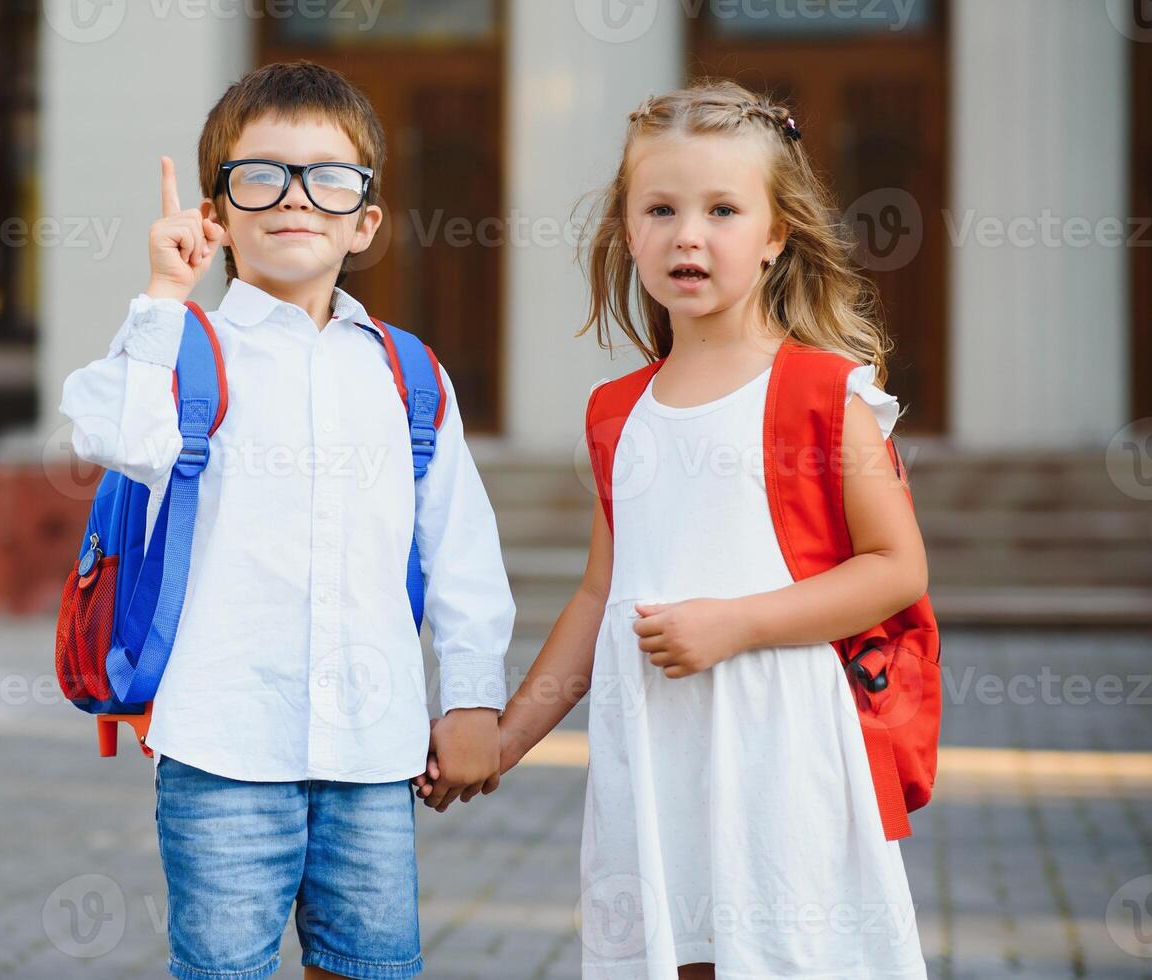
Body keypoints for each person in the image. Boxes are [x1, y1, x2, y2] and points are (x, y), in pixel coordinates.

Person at [416, 79, 931, 978]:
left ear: (776, 236)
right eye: (660, 208)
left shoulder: (821, 392)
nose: (687, 234)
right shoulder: (619, 412)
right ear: (627, 229)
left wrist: (736, 622)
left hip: (780, 746)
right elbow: (598, 597)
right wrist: (505, 738)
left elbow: (895, 569)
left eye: (723, 209)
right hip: (654, 751)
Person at [59, 61, 514, 980]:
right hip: (221, 749)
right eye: (260, 175)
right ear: (217, 212)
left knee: (370, 967)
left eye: (329, 178)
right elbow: (108, 433)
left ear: (366, 219)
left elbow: (460, 549)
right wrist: (161, 294)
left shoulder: (407, 374)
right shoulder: (184, 347)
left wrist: (472, 703)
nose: (295, 199)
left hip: (372, 753)